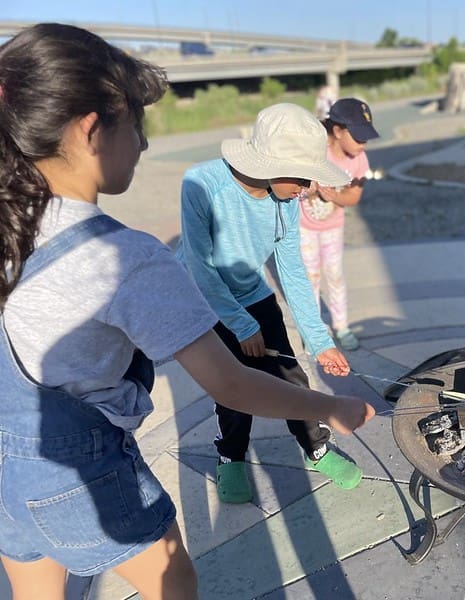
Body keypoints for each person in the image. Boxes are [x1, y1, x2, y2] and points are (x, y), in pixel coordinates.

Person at [0, 23, 373, 599]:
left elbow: (291, 268)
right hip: (80, 476)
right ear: (91, 129)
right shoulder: (124, 255)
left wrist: (315, 337)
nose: (145, 145)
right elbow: (230, 383)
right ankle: (239, 456)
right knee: (175, 581)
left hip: (7, 474)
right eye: (138, 125)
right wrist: (333, 406)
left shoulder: (11, 223)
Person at [176, 103, 367, 504]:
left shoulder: (287, 199)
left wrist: (320, 341)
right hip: (209, 301)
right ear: (271, 164)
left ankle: (316, 447)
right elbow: (199, 265)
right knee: (233, 388)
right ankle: (230, 457)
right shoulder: (201, 184)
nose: (307, 189)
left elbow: (292, 268)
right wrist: (242, 325)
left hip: (255, 295)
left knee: (291, 377)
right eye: (303, 177)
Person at [299, 98, 380, 351]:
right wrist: (312, 189)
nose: (363, 143)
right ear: (337, 131)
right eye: (358, 137)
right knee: (310, 278)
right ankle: (312, 329)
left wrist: (334, 196)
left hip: (333, 226)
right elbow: (295, 185)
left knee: (334, 274)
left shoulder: (359, 160)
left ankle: (341, 326)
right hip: (305, 226)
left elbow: (354, 197)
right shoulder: (314, 151)